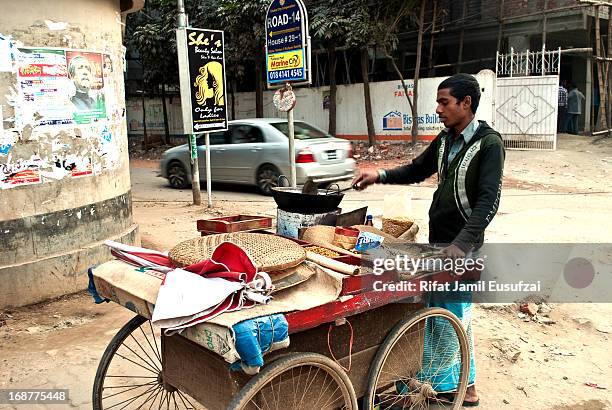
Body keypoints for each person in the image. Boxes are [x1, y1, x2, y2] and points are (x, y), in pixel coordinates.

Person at [353, 73, 506, 407]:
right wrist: (379, 174)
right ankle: (462, 385)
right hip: (439, 243)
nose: (438, 109)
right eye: (437, 102)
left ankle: (449, 386)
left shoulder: (489, 144)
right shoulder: (446, 139)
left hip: (462, 246)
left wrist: (461, 246)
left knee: (450, 311)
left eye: (444, 102)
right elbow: (416, 169)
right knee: (445, 310)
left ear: (466, 103)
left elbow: (488, 202)